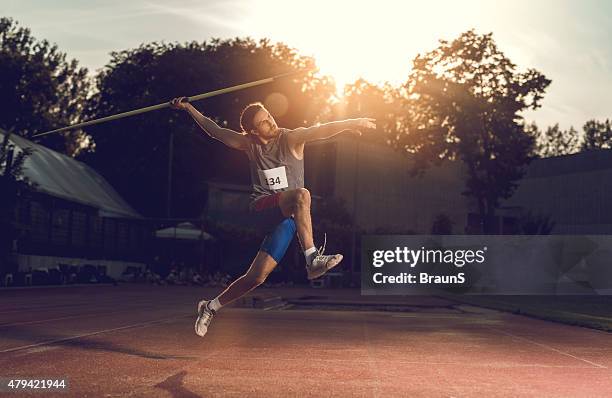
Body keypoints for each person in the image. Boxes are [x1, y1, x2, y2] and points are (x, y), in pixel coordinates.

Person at [170, 97, 375, 337]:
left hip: (286, 218)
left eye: (269, 116)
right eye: (264, 122)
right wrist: (188, 108)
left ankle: (210, 306)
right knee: (302, 195)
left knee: (256, 277)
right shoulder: (249, 145)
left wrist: (352, 122)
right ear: (254, 131)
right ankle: (312, 260)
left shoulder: (290, 138)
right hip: (262, 209)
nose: (271, 121)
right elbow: (215, 131)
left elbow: (320, 130)